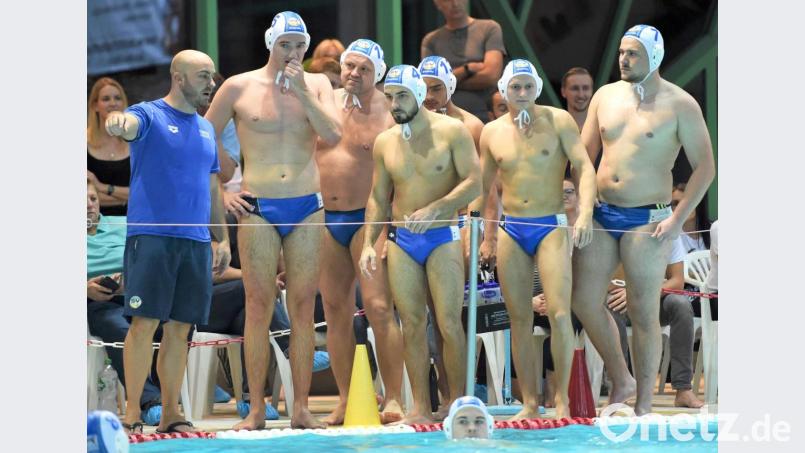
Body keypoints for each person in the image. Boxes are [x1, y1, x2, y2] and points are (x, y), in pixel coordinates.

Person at [203, 11, 340, 430]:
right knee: (258, 306)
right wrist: (226, 189)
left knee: (301, 306)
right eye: (286, 45)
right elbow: (203, 139)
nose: (294, 53)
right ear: (270, 44)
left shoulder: (317, 84)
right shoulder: (239, 86)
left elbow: (333, 135)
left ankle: (300, 409)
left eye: (300, 46)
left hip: (306, 206)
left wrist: (303, 91)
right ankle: (258, 409)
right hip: (259, 207)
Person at [572, 24, 716, 415]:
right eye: (621, 51)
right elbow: (583, 157)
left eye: (632, 53)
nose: (623, 59)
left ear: (654, 57)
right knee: (584, 300)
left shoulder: (679, 104)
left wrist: (677, 219)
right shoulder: (605, 96)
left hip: (648, 220)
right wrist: (583, 206)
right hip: (603, 213)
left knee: (643, 309)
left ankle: (645, 405)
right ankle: (623, 377)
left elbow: (706, 167)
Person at [104, 49, 231, 434]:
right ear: (179, 78)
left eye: (212, 76)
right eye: (203, 76)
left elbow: (212, 187)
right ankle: (132, 411)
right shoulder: (149, 114)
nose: (211, 84)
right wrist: (116, 121)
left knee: (180, 329)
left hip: (194, 242)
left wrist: (221, 239)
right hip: (153, 238)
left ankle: (172, 410)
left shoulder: (207, 128)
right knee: (143, 324)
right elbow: (125, 124)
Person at [470, 59, 596, 419]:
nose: (522, 93)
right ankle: (528, 401)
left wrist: (584, 212)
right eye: (515, 88)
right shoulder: (492, 132)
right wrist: (482, 233)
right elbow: (484, 190)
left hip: (552, 226)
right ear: (504, 91)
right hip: (513, 227)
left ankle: (562, 400)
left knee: (558, 313)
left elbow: (584, 167)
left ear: (537, 88)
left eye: (528, 87)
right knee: (519, 317)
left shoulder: (559, 121)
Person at [359, 64, 481, 424]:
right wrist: (369, 241)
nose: (394, 104)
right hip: (401, 239)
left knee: (447, 322)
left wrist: (438, 207)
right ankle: (421, 407)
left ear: (418, 95)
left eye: (402, 96)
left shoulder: (452, 131)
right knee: (411, 323)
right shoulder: (386, 141)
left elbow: (475, 182)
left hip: (443, 236)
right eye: (390, 97)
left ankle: (458, 401)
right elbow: (378, 198)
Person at [315, 38, 404, 425]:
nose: (353, 73)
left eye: (363, 68)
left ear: (378, 73)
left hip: (369, 221)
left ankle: (395, 397)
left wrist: (388, 229)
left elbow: (400, 177)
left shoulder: (391, 110)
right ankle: (348, 397)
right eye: (349, 66)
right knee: (335, 311)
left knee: (380, 310)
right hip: (323, 218)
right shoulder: (324, 103)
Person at [421, 0, 506, 121]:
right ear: (437, 4)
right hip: (444, 116)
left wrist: (447, 82)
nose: (455, 3)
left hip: (484, 113)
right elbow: (429, 83)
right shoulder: (431, 40)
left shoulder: (490, 28)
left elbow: (491, 76)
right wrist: (467, 70)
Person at [87, 77, 131, 216]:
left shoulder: (136, 141)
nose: (113, 103)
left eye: (117, 98)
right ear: (95, 105)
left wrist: (102, 188)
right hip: (93, 227)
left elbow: (146, 192)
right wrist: (126, 197)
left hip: (133, 221)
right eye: (106, 99)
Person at [560, 67, 594, 131]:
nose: (581, 95)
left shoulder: (601, 125)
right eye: (575, 88)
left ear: (592, 91)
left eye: (585, 88)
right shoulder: (556, 128)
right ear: (563, 92)